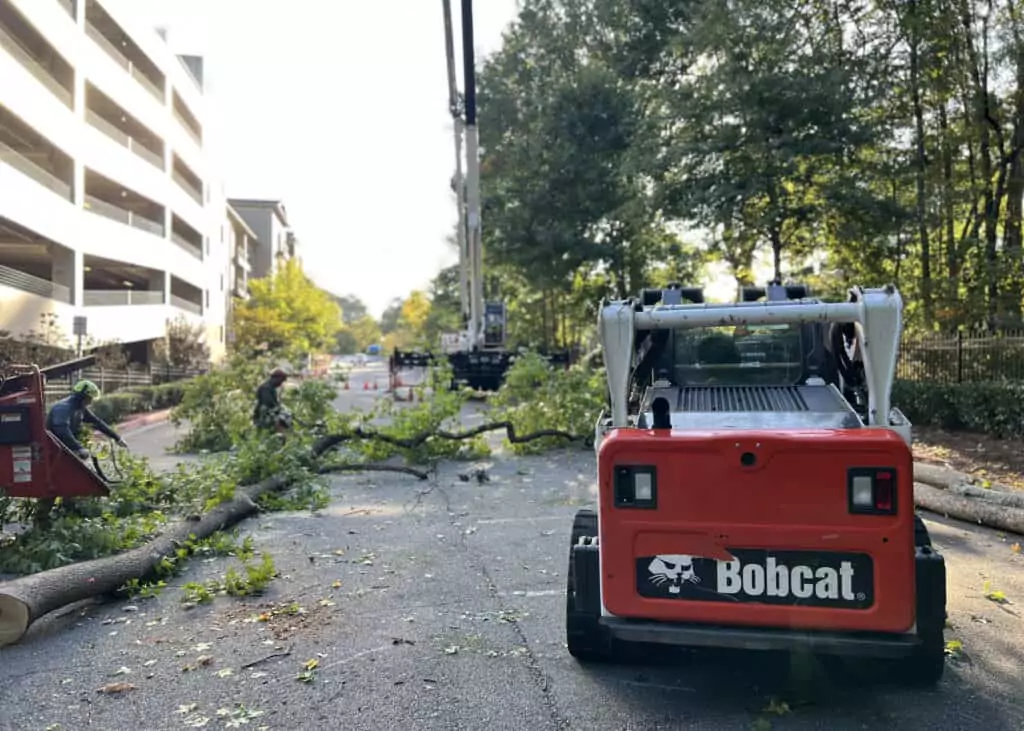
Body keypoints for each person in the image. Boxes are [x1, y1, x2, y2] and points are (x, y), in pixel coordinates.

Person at [46, 379, 127, 461]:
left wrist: (117, 438)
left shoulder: (80, 408)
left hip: (66, 450)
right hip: (54, 452)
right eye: (90, 398)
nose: (91, 402)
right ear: (82, 396)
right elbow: (62, 430)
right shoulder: (63, 408)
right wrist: (78, 448)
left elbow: (97, 422)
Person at [253, 367, 292, 432]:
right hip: (264, 416)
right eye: (281, 380)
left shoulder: (272, 388)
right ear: (276, 378)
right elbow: (268, 403)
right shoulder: (266, 388)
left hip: (269, 414)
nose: (281, 383)